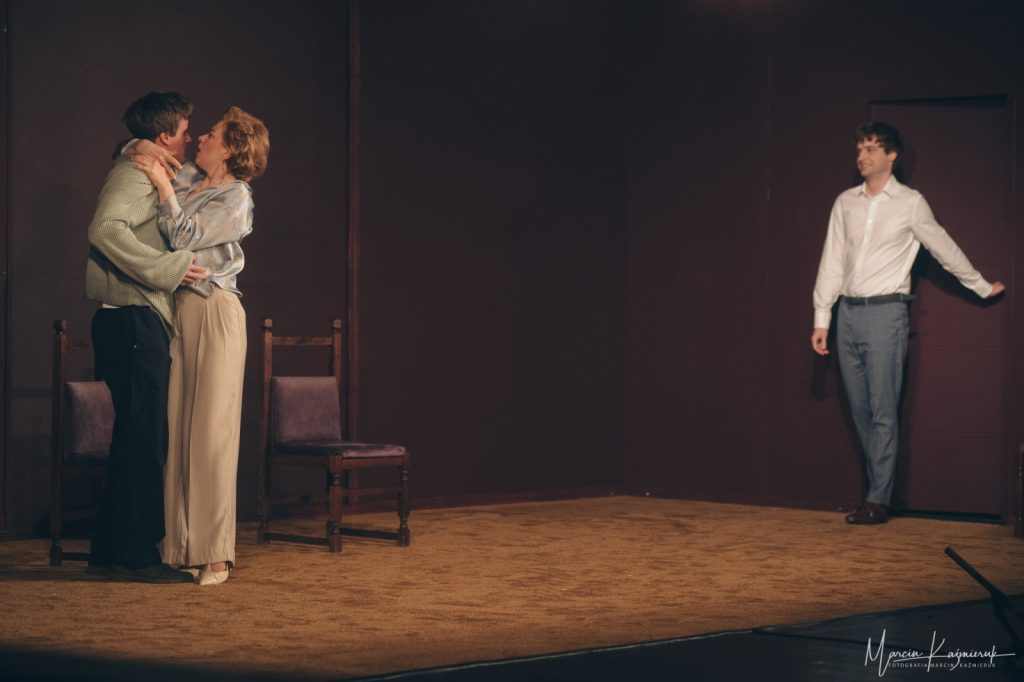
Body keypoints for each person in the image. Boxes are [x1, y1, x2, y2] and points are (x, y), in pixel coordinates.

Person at [810, 121, 1006, 525]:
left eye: (871, 149)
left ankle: (877, 499)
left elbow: (944, 248)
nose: (862, 156)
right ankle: (878, 492)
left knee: (883, 409)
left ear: (892, 156)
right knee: (860, 409)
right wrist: (822, 318)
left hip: (886, 313)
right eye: (859, 149)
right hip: (847, 314)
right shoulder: (845, 202)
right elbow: (832, 260)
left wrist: (982, 286)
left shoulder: (911, 203)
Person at [131, 106, 270, 585]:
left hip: (215, 309)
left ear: (230, 148)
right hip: (180, 309)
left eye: (211, 134)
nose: (200, 140)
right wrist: (142, 152)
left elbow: (185, 238)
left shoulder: (236, 197)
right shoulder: (191, 178)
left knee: (211, 433)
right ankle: (178, 547)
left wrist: (163, 187)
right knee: (177, 427)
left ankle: (215, 554)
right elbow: (133, 152)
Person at [85, 92, 207, 583]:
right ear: (164, 136)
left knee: (133, 438)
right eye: (184, 131)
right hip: (132, 320)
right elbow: (104, 229)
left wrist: (129, 145)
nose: (190, 139)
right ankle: (136, 556)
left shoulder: (143, 163)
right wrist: (167, 267)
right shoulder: (135, 173)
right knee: (145, 441)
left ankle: (108, 551)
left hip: (132, 321)